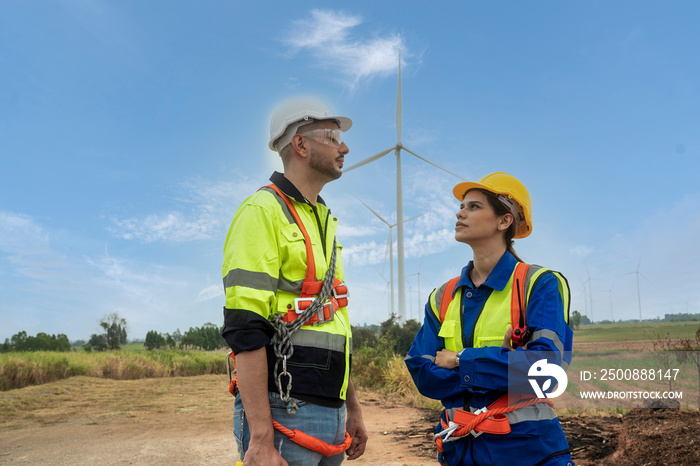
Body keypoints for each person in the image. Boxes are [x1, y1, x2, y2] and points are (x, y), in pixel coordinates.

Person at [222, 97, 368, 466]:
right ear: (300, 144)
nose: (345, 147)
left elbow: (336, 322)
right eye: (334, 136)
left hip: (331, 412)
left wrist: (352, 407)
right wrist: (259, 437)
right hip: (284, 409)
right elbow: (246, 327)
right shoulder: (262, 212)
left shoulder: (325, 223)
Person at [405, 172, 574, 466]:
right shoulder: (442, 296)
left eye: (473, 206)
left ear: (504, 220)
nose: (460, 212)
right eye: (461, 206)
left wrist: (460, 360)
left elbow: (546, 371)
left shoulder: (539, 284)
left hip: (528, 452)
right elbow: (423, 373)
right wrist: (506, 366)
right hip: (459, 452)